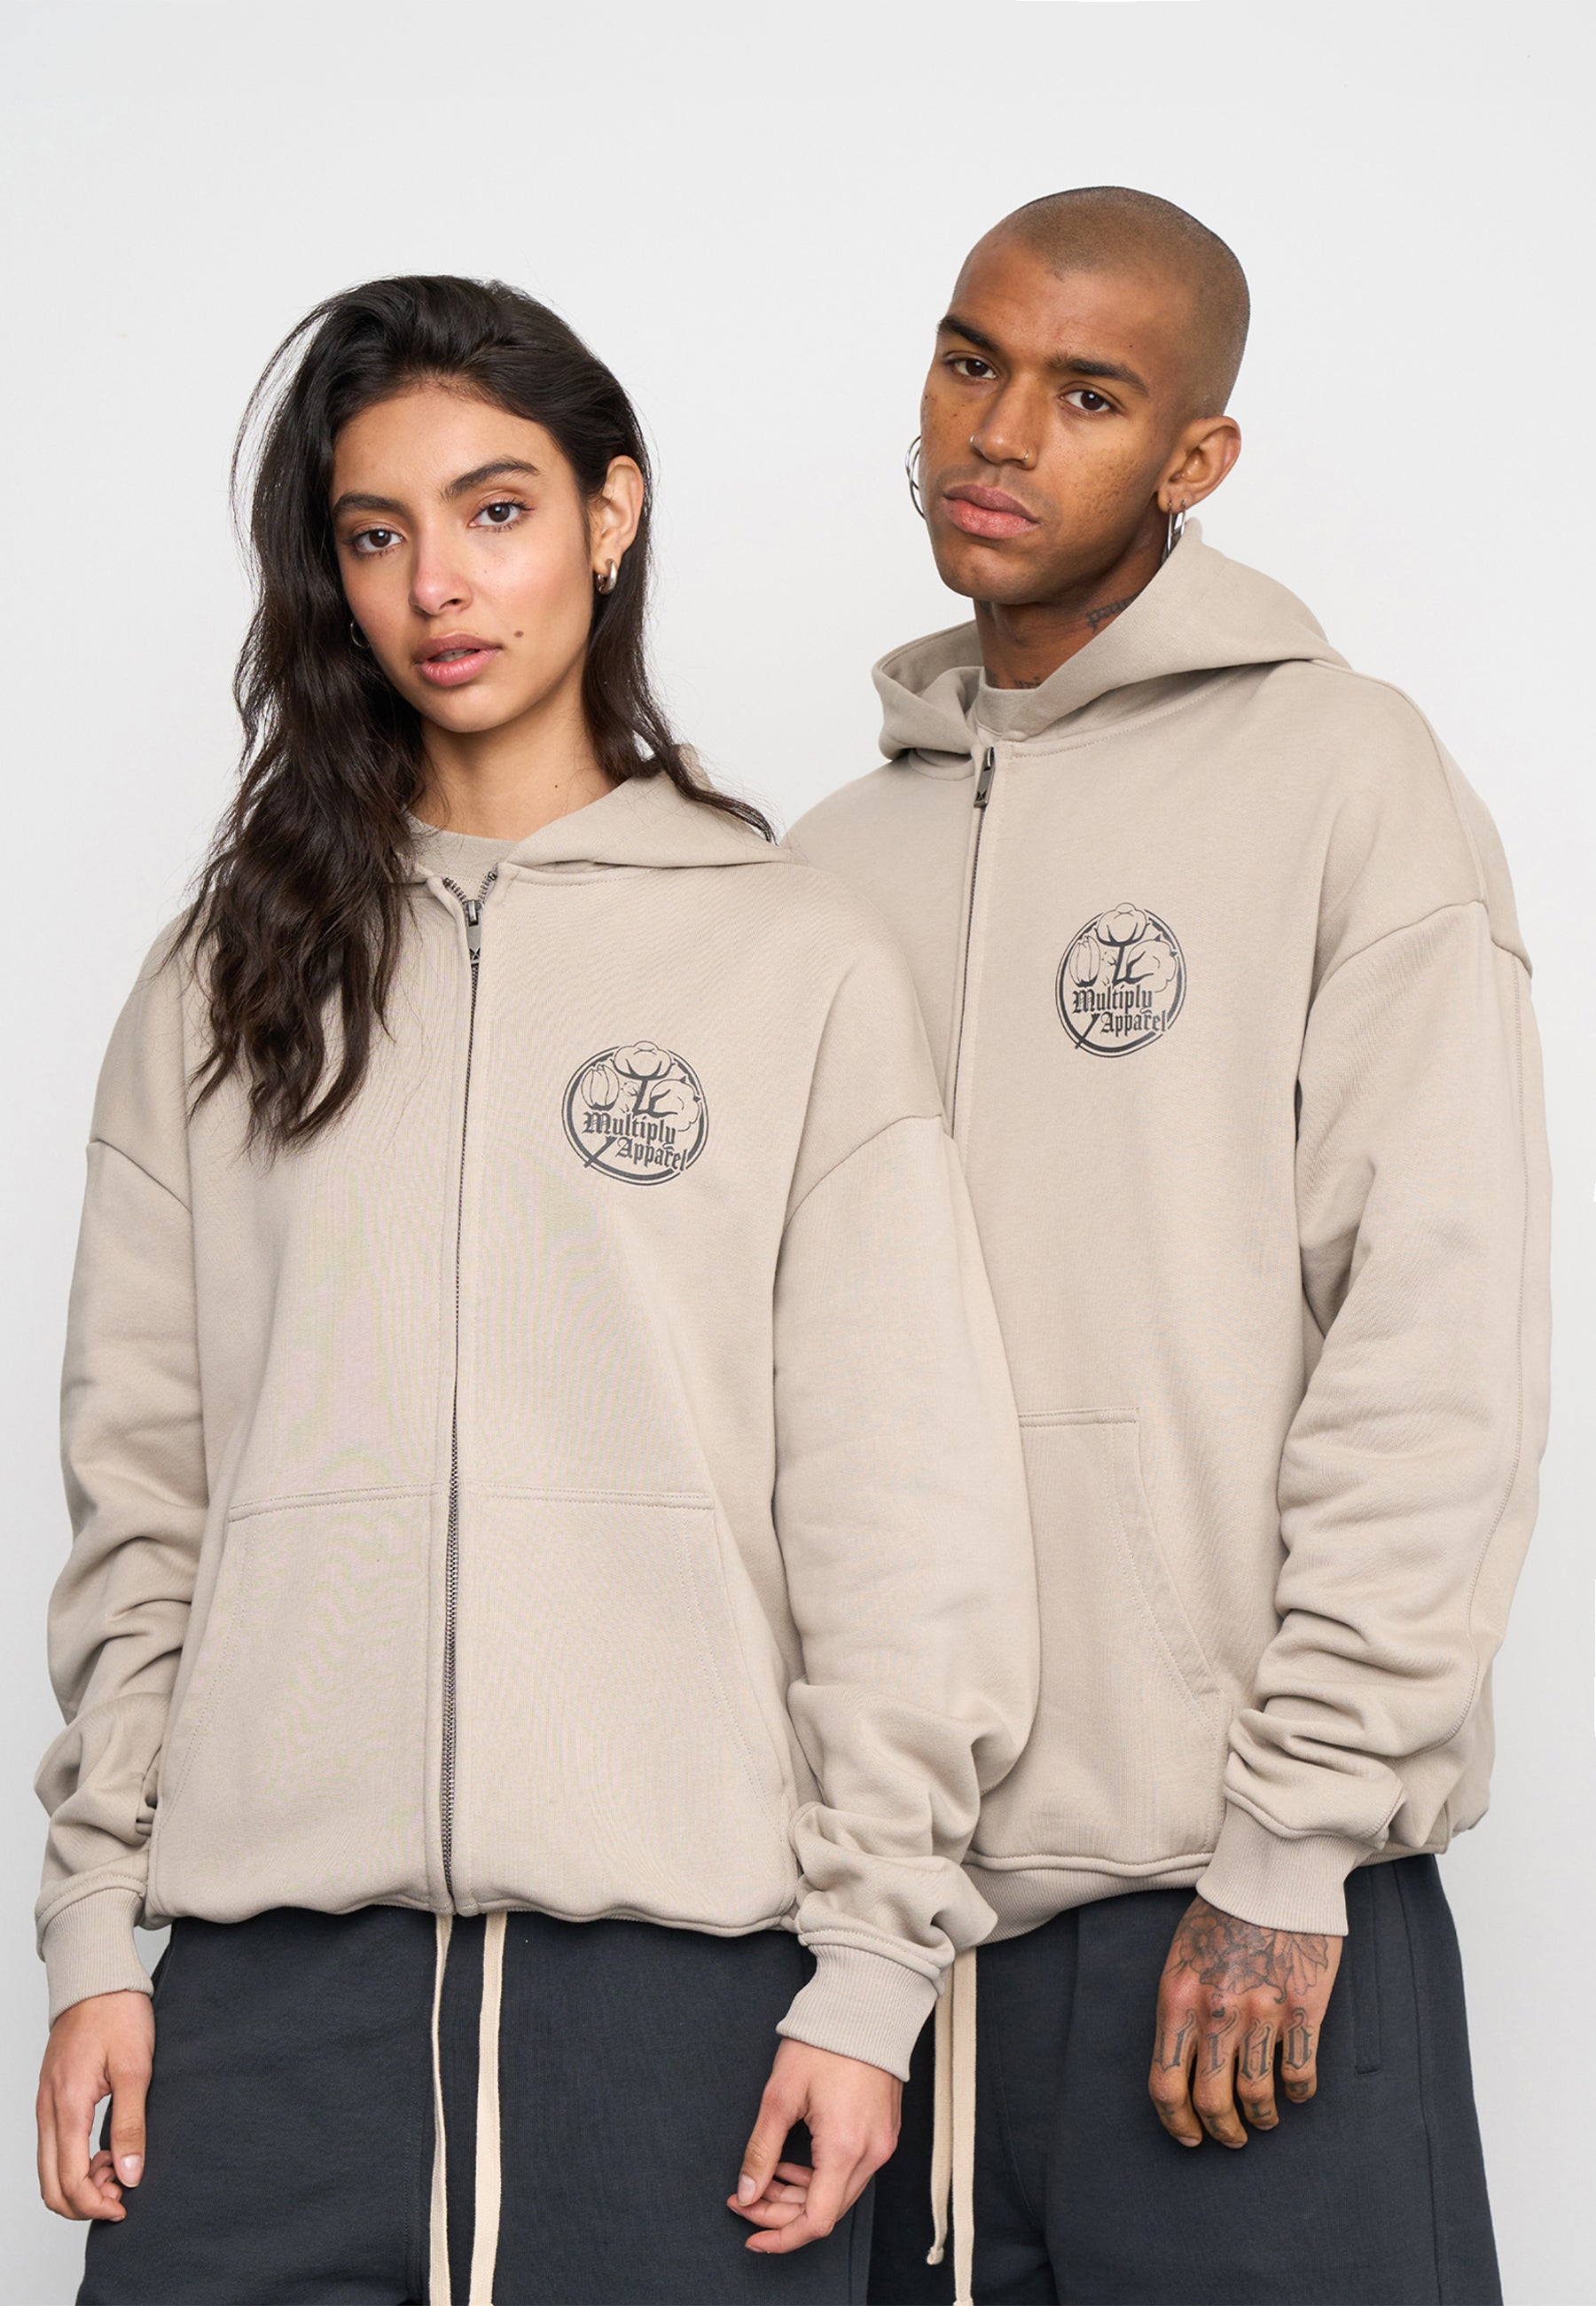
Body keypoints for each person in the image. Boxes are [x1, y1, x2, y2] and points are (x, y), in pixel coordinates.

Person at [33, 274, 1040, 2306]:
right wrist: (90, 1939)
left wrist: (870, 1976)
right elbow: (146, 1499)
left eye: (495, 510)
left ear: (610, 514)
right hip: (265, 1999)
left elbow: (901, 1504)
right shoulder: (227, 977)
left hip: (685, 2009)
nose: (437, 585)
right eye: (374, 532)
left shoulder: (791, 958)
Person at [788, 188, 1550, 2306]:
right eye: (971, 361)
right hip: (891, 1959)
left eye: (1089, 393)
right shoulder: (823, 869)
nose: (1000, 429)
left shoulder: (1347, 776)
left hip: (1248, 1913)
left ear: (1195, 455)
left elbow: (1436, 1332)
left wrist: (1294, 1839)